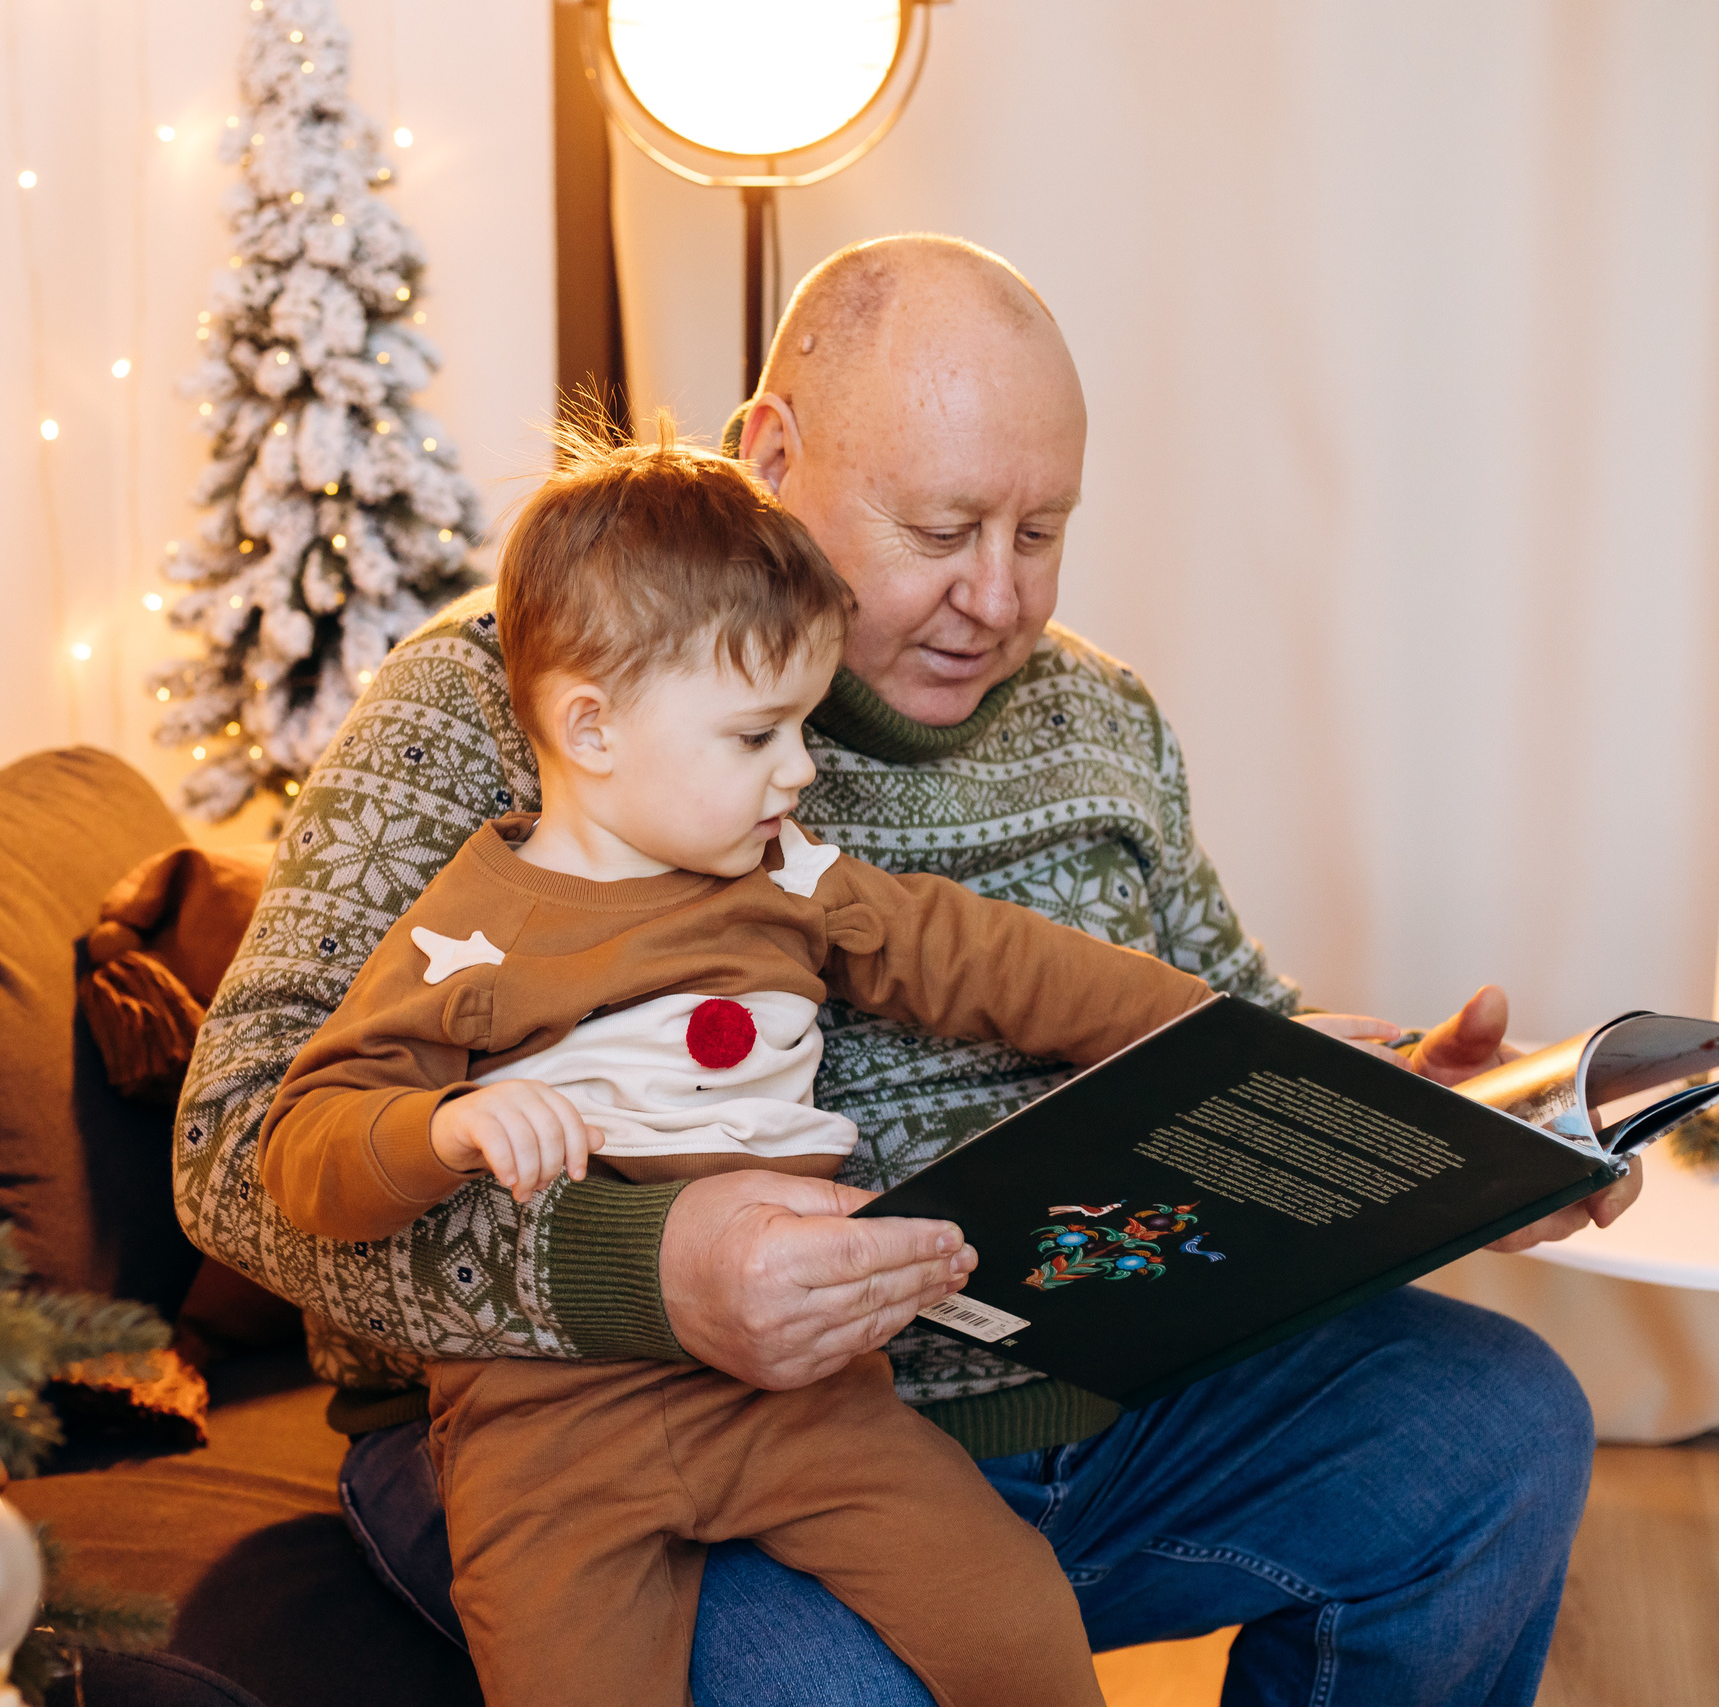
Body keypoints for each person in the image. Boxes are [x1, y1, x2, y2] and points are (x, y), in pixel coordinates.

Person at [173, 235, 1641, 1705]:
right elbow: (234, 1154)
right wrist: (649, 1274)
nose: (997, 597)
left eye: (1041, 531)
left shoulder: (1095, 714)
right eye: (942, 529)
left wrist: (1413, 1134)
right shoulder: (510, 698)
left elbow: (1219, 1024)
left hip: (1060, 1412)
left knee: (1495, 1423)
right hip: (579, 1439)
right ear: (770, 457)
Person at [259, 431, 1222, 1707]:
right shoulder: (469, 935)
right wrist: (442, 1127)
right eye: (758, 732)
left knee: (1010, 1609)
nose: (801, 769)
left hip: (803, 1403)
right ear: (591, 727)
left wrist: (1219, 1036)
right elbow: (301, 1144)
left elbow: (1000, 962)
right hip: (549, 1435)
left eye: (803, 726)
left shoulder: (788, 878)